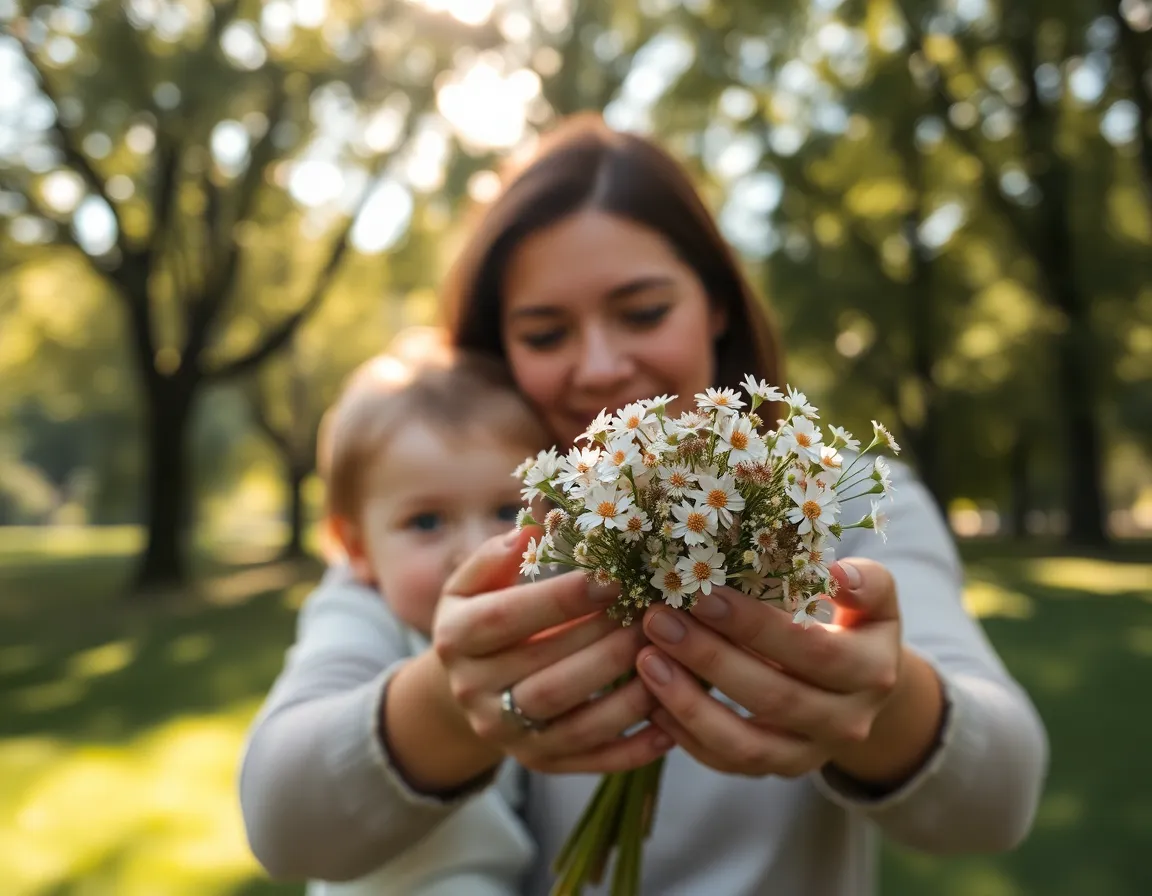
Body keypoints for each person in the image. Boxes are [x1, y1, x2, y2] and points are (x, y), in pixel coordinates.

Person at [240, 114, 1048, 895]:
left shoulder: (830, 507)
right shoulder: (457, 531)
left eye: (643, 312)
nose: (599, 367)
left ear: (718, 305)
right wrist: (452, 712)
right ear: (498, 345)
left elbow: (1000, 802)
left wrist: (885, 702)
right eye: (546, 333)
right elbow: (283, 821)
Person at [249, 338, 548, 895]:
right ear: (354, 546)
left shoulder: (543, 610)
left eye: (507, 511)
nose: (474, 550)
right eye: (427, 522)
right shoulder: (359, 619)